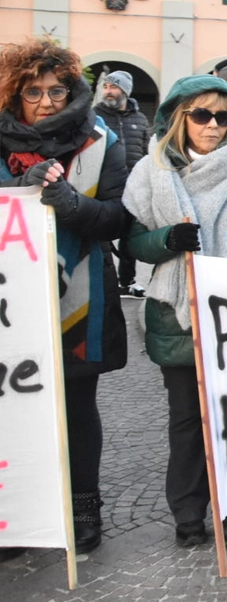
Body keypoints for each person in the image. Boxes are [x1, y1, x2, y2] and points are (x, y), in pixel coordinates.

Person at [122, 75, 227, 549]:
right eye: (202, 115)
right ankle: (188, 514)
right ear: (179, 116)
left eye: (223, 117)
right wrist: (166, 240)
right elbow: (131, 243)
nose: (213, 126)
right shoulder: (150, 172)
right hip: (176, 313)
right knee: (187, 420)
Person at [0, 39, 131, 556]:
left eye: (57, 89)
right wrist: (17, 190)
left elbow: (121, 218)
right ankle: (21, 507)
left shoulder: (100, 139)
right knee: (14, 407)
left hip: (80, 293)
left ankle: (82, 504)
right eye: (34, 91)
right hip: (13, 299)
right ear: (15, 95)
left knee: (76, 404)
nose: (48, 101)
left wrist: (70, 203)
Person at [95, 70, 149, 297]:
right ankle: (101, 280)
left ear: (125, 91)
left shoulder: (140, 119)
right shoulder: (94, 116)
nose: (108, 91)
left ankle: (127, 281)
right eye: (106, 87)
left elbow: (147, 153)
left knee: (129, 237)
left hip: (133, 188)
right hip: (103, 188)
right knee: (101, 236)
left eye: (114, 87)